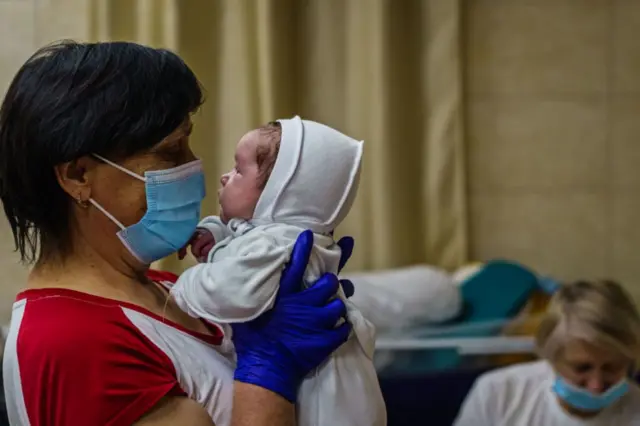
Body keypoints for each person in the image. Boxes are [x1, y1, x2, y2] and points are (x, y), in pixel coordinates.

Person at [0, 40, 360, 426]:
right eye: (171, 152)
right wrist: (272, 366)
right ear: (78, 176)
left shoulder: (163, 288)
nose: (195, 167)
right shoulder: (71, 342)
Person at [170, 116, 386, 426]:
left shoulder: (274, 242)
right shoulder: (281, 237)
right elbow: (241, 239)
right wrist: (215, 238)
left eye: (239, 170)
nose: (224, 177)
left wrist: (182, 288)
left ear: (279, 194)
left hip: (324, 391)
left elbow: (229, 292)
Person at [454, 280, 640, 426]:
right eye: (582, 368)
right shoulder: (498, 394)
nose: (596, 386)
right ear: (551, 358)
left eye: (612, 368)